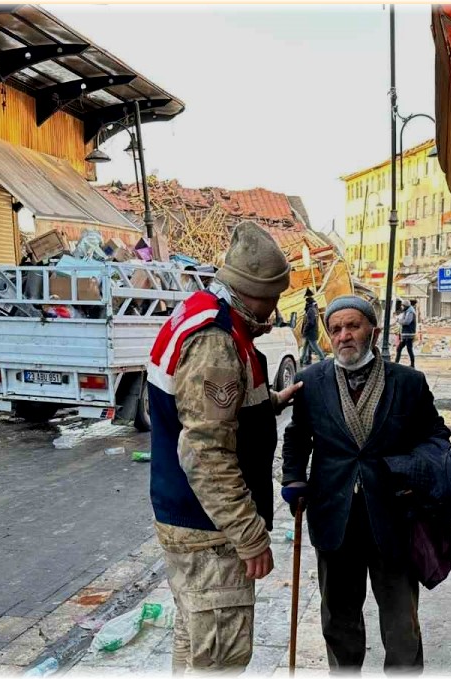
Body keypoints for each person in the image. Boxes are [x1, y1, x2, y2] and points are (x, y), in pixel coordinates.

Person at [147, 222, 303, 673]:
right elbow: (205, 452)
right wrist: (250, 536)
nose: (273, 312)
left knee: (197, 639)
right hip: (210, 531)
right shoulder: (215, 341)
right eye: (270, 301)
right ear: (249, 293)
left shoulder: (205, 312)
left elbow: (210, 409)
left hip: (191, 520)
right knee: (220, 657)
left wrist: (272, 402)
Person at [281, 295, 451, 674]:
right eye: (336, 328)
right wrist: (293, 477)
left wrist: (416, 471)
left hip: (393, 514)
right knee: (338, 617)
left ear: (372, 331)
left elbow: (436, 436)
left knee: (400, 620)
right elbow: (298, 437)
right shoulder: (310, 381)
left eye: (352, 326)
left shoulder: (408, 382)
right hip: (334, 514)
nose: (344, 335)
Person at [301, 289, 325, 366]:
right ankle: (303, 360)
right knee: (305, 347)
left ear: (308, 302)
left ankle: (322, 359)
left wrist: (305, 330)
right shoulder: (313, 309)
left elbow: (310, 322)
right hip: (310, 332)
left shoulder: (311, 310)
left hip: (310, 332)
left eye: (306, 301)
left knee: (315, 347)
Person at [395, 298, 418, 368]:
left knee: (409, 349)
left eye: (403, 306)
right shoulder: (407, 311)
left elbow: (406, 322)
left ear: (406, 306)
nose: (402, 307)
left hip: (409, 334)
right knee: (400, 348)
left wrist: (399, 320)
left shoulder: (410, 312)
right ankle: (396, 363)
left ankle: (412, 364)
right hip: (406, 334)